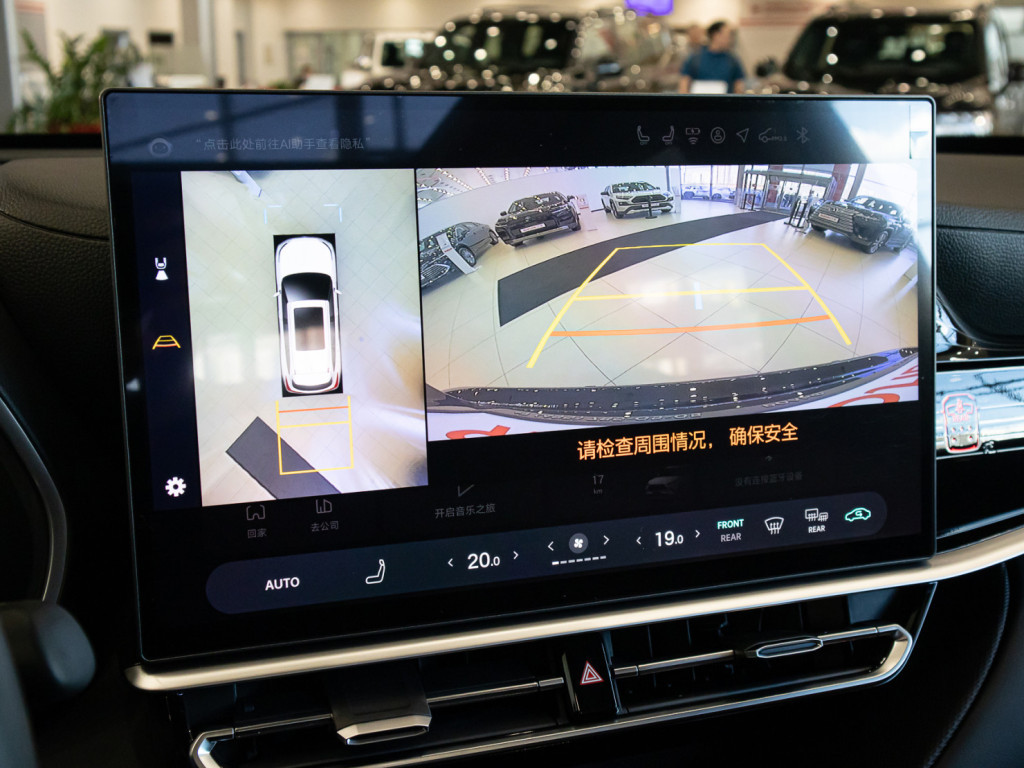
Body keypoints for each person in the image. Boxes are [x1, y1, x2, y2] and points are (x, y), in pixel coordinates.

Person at [678, 21, 746, 94]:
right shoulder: (695, 58)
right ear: (716, 35)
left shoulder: (733, 60)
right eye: (728, 35)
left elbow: (739, 86)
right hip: (699, 100)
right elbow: (684, 85)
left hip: (725, 100)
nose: (730, 39)